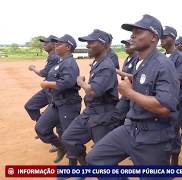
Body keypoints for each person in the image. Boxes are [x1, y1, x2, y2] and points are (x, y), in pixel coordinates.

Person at [85, 14, 179, 180]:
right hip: (132, 128)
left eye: (139, 31)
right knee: (96, 159)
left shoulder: (163, 64)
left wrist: (129, 93)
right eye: (132, 31)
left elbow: (164, 107)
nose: (132, 35)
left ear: (154, 37)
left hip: (154, 136)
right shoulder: (140, 62)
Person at [62, 29, 119, 166]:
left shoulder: (106, 65)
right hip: (91, 111)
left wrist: (80, 82)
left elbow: (93, 91)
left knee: (104, 158)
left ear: (104, 45)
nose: (87, 45)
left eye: (91, 42)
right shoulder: (97, 62)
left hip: (103, 115)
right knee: (69, 137)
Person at [35, 34, 82, 164]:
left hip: (68, 104)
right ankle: (61, 147)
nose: (55, 45)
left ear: (68, 47)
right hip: (57, 102)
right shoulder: (61, 61)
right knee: (41, 128)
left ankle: (77, 165)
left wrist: (47, 84)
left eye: (59, 44)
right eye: (55, 43)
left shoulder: (70, 63)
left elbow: (67, 82)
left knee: (69, 137)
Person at [25, 35, 60, 152]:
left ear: (55, 44)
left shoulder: (55, 57)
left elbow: (43, 73)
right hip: (47, 89)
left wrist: (33, 68)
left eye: (47, 42)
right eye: (43, 42)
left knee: (56, 114)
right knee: (30, 106)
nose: (44, 44)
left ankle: (56, 142)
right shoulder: (52, 56)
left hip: (54, 90)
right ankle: (44, 127)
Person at [161, 26, 182, 165]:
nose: (162, 39)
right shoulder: (161, 56)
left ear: (173, 38)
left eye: (165, 37)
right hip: (163, 100)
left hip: (176, 100)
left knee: (173, 131)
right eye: (161, 36)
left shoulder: (180, 57)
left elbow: (178, 79)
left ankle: (174, 163)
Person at [111, 39, 139, 126]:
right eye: (125, 45)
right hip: (125, 94)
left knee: (128, 117)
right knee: (118, 115)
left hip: (134, 94)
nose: (126, 47)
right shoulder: (127, 58)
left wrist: (117, 71)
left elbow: (135, 77)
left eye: (128, 45)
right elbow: (124, 76)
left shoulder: (137, 58)